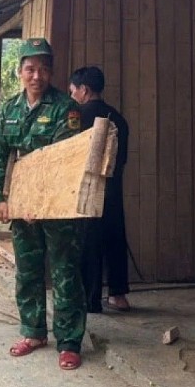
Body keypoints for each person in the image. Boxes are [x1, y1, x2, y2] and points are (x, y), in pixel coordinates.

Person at [0, 38, 86, 371]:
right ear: (20, 72)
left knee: (64, 272)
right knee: (28, 270)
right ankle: (33, 331)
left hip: (57, 204)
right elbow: (0, 154)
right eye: (30, 68)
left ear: (51, 72)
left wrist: (41, 201)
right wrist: (0, 198)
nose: (36, 75)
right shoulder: (10, 109)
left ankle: (69, 341)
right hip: (21, 205)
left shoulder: (66, 107)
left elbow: (62, 159)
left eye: (44, 69)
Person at [69, 66, 130, 313]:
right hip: (113, 188)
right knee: (115, 238)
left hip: (86, 189)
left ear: (84, 90)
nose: (72, 96)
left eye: (73, 91)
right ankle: (119, 295)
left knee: (89, 241)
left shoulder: (76, 117)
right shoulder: (119, 119)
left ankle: (90, 300)